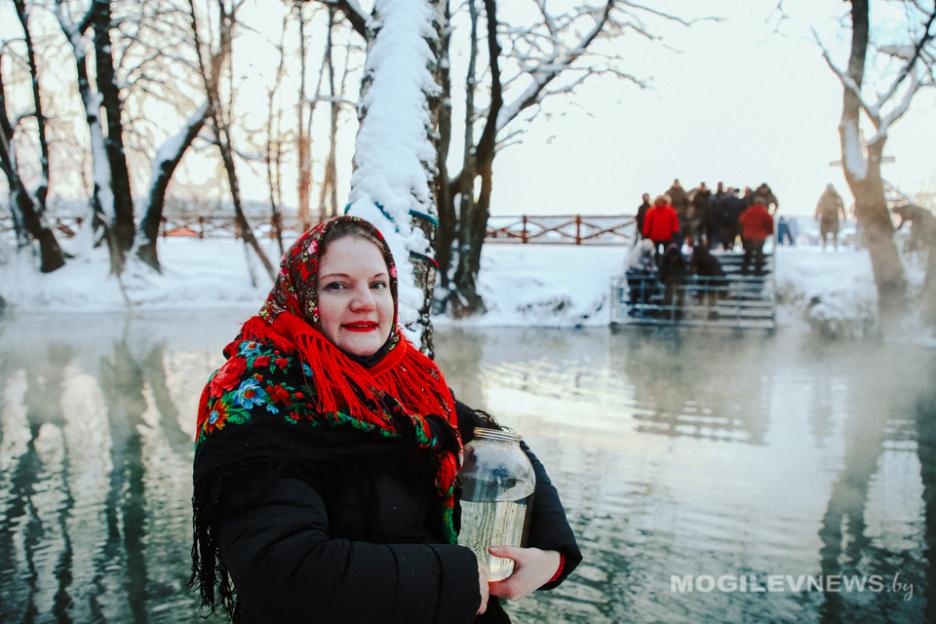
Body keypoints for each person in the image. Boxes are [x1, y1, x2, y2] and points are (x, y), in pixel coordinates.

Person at [190, 216, 581, 624]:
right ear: (301, 296)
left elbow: (502, 450)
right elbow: (283, 574)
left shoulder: (406, 381)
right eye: (337, 285)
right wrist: (457, 577)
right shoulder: (258, 404)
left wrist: (549, 556)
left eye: (377, 284)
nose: (365, 302)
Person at [739, 196, 774, 275]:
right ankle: (758, 271)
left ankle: (744, 269)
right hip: (760, 237)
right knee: (759, 253)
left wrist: (747, 228)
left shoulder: (749, 210)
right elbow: (770, 223)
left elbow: (741, 220)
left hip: (749, 236)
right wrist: (769, 232)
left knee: (748, 253)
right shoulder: (764, 212)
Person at [642, 194, 680, 262]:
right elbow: (647, 223)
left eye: (662, 201)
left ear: (665, 201)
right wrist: (645, 233)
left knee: (667, 253)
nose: (660, 203)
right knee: (655, 253)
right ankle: (656, 265)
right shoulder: (651, 211)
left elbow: (675, 223)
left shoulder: (670, 211)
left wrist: (675, 232)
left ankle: (665, 267)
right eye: (659, 201)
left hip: (667, 236)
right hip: (654, 237)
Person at [814, 184, 846, 250]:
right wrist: (816, 215)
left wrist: (844, 215)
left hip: (834, 217)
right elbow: (818, 206)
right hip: (825, 217)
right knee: (823, 232)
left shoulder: (836, 196)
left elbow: (841, 206)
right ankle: (824, 244)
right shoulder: (823, 196)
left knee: (835, 232)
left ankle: (835, 245)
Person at [666, 179, 690, 244]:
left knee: (680, 232)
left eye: (677, 183)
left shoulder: (683, 192)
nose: (676, 184)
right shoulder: (668, 192)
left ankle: (679, 245)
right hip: (670, 215)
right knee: (671, 231)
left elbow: (688, 204)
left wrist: (683, 212)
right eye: (675, 183)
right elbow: (665, 203)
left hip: (681, 216)